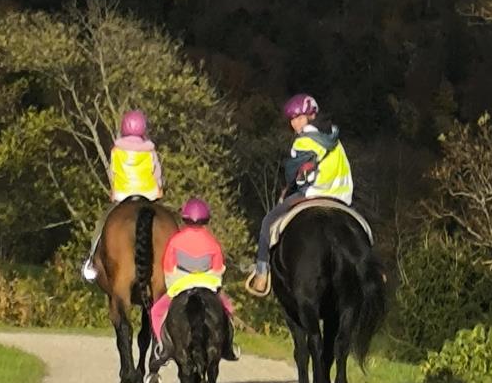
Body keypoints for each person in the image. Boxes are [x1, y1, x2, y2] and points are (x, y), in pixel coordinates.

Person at [244, 92, 353, 297]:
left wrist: (288, 190)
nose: (295, 123)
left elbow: (293, 175)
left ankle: (261, 273)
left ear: (311, 116)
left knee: (268, 222)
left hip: (313, 193)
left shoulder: (302, 142)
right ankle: (376, 267)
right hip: (343, 197)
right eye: (292, 119)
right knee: (362, 228)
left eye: (299, 117)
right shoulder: (336, 140)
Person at [149, 198, 238, 361]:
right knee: (228, 309)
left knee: (156, 312)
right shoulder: (212, 242)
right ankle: (229, 346)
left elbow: (168, 268)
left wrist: (173, 287)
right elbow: (218, 269)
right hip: (208, 283)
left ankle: (163, 347)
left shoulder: (176, 240)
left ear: (185, 218)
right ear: (206, 219)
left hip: (181, 283)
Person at [81, 109, 164, 282]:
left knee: (102, 223)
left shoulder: (116, 151)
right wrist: (159, 188)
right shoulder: (150, 151)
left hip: (123, 194)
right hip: (148, 194)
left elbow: (113, 173)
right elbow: (157, 173)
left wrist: (114, 190)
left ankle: (90, 260)